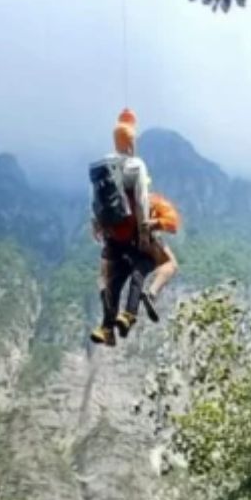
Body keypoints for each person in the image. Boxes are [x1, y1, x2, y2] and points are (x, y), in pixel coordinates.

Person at [88, 110, 178, 346]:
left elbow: (95, 203)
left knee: (113, 281)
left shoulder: (105, 168)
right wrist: (146, 230)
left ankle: (107, 327)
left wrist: (98, 226)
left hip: (112, 237)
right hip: (135, 237)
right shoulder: (136, 167)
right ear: (131, 142)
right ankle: (135, 309)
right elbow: (141, 202)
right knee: (150, 267)